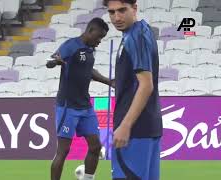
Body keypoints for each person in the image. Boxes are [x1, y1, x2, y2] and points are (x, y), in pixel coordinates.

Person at [47, 17, 114, 180]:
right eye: (99, 37)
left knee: (96, 146)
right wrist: (55, 62)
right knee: (63, 151)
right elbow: (52, 60)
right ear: (90, 30)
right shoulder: (71, 45)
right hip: (67, 107)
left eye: (102, 38)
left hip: (85, 106)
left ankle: (87, 178)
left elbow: (89, 71)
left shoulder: (90, 50)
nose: (99, 41)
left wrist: (109, 82)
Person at [103, 0, 163, 179]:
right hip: (149, 127)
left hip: (134, 131)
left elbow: (146, 85)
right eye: (112, 12)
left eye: (122, 10)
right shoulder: (142, 30)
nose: (116, 17)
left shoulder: (134, 37)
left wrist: (125, 125)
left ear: (135, 8)